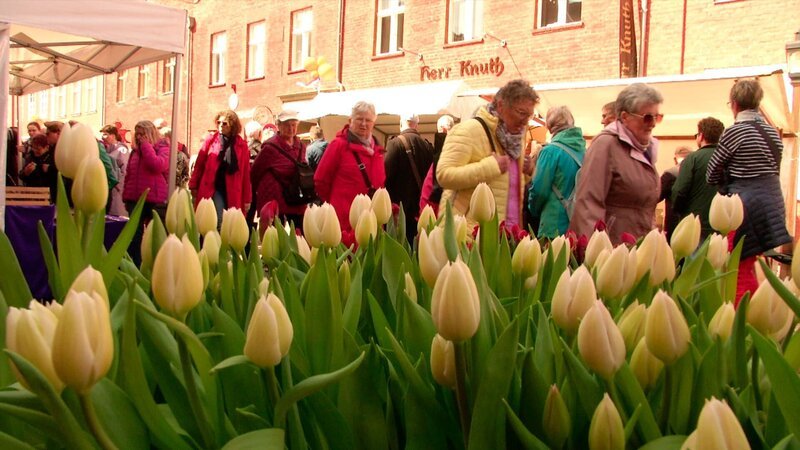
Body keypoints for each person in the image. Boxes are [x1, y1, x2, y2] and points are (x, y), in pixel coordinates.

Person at [706, 79, 791, 303]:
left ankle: (739, 316)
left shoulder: (735, 132)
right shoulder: (773, 134)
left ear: (734, 104)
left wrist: (723, 186)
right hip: (772, 204)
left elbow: (712, 171)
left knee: (738, 264)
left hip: (744, 205)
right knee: (756, 263)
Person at [569, 83, 663, 244]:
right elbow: (588, 203)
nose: (653, 123)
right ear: (625, 117)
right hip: (613, 248)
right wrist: (594, 252)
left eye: (658, 117)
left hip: (637, 246)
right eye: (647, 117)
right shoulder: (606, 145)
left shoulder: (644, 148)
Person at [436, 79, 538, 226]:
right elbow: (444, 175)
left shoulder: (516, 140)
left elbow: (505, 186)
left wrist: (527, 173)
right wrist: (490, 167)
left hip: (505, 236)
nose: (524, 122)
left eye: (529, 115)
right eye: (521, 112)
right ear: (501, 105)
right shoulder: (469, 130)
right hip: (468, 234)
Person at [314, 101, 386, 231]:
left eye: (368, 120)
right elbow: (320, 180)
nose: (363, 124)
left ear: (373, 123)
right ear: (350, 120)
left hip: (371, 221)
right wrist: (336, 205)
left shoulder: (377, 151)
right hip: (344, 222)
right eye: (359, 119)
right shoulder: (338, 145)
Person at [527, 106, 586, 238]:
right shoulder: (585, 152)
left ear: (550, 126)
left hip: (552, 225)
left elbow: (539, 190)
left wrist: (533, 210)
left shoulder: (550, 152)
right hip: (576, 226)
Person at [189, 110, 252, 224]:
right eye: (219, 122)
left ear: (232, 125)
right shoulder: (211, 140)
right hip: (212, 187)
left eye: (224, 123)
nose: (220, 126)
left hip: (233, 190)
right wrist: (193, 184)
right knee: (217, 219)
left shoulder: (241, 145)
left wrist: (247, 199)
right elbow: (199, 164)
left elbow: (246, 174)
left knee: (230, 223)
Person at [122, 120, 170, 265]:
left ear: (150, 133)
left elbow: (157, 165)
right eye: (137, 134)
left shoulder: (162, 148)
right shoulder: (135, 153)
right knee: (134, 236)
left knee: (155, 235)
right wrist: (126, 196)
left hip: (153, 198)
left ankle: (156, 264)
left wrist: (146, 146)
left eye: (142, 134)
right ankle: (135, 264)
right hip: (134, 199)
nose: (139, 137)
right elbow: (129, 174)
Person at [252, 110, 309, 228]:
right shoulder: (270, 147)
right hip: (274, 197)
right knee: (275, 237)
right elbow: (255, 172)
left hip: (295, 197)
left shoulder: (301, 146)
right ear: (279, 126)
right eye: (287, 125)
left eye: (293, 125)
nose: (291, 128)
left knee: (300, 235)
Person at [672, 117, 725, 241]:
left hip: (696, 223)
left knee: (695, 259)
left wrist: (678, 211)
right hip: (722, 224)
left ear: (700, 136)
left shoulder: (692, 159)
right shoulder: (728, 159)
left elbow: (679, 190)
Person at [384, 113, 434, 243]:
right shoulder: (428, 147)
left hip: (399, 213)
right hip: (422, 211)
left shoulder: (394, 144)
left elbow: (385, 178)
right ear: (417, 125)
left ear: (400, 124)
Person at [419, 114, 454, 214]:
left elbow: (429, 190)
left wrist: (425, 214)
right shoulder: (461, 151)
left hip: (440, 214)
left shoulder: (442, 154)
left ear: (443, 130)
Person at [659, 146, 693, 239]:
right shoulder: (697, 172)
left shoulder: (670, 174)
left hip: (673, 221)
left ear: (675, 159)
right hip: (694, 222)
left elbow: (657, 196)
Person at [101, 124, 130, 216]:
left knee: (117, 212)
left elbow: (125, 169)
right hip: (108, 187)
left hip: (117, 188)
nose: (103, 137)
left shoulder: (121, 150)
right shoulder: (107, 149)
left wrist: (118, 185)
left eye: (105, 134)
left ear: (113, 135)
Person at [19, 133, 57, 198]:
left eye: (38, 149)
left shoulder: (53, 158)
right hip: (32, 194)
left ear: (47, 147)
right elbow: (22, 176)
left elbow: (59, 177)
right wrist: (25, 173)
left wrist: (50, 169)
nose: (35, 151)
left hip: (50, 195)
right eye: (33, 148)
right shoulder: (30, 157)